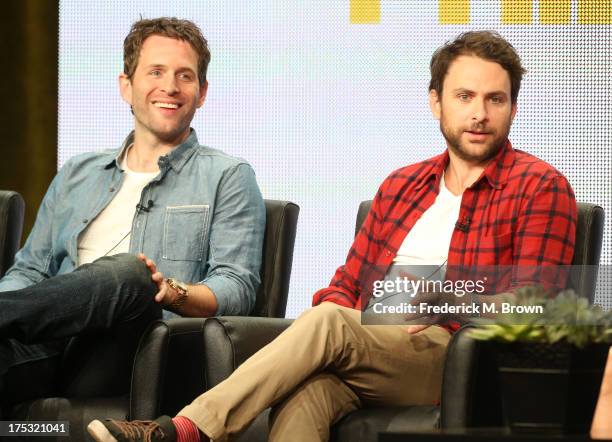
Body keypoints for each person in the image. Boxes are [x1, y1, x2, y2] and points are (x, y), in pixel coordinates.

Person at [88, 30, 577, 442]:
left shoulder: (539, 187)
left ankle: (181, 430)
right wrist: (344, 316)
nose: (479, 114)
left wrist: (440, 298)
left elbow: (540, 305)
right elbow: (347, 283)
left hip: (459, 358)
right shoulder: (402, 185)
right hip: (371, 347)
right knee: (307, 391)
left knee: (329, 323)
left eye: (496, 99)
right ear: (436, 102)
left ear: (512, 108)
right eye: (465, 97)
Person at [0, 17, 265, 410]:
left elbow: (237, 287)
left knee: (130, 273)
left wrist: (171, 291)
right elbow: (30, 270)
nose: (170, 87)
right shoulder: (77, 173)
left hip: (139, 351)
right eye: (155, 72)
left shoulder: (227, 176)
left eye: (185, 76)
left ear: (202, 92)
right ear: (126, 86)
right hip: (49, 348)